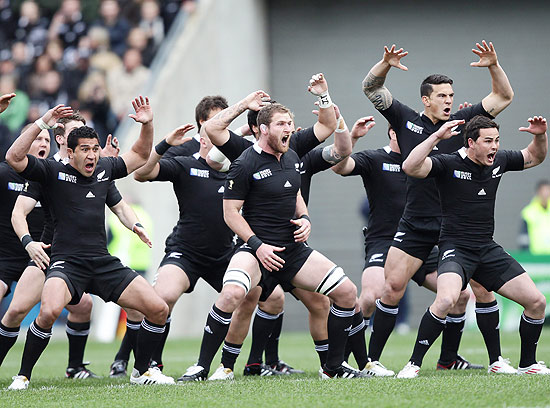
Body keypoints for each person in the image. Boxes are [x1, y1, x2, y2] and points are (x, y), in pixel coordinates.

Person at [180, 99, 364, 381]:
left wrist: (305, 219)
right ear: (263, 129)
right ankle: (203, 367)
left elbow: (296, 196)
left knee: (348, 293)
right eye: (281, 124)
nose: (288, 129)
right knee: (231, 295)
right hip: (255, 250)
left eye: (289, 124)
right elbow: (231, 214)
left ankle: (333, 368)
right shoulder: (244, 162)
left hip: (292, 250)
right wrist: (258, 246)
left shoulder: (291, 156)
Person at [361, 41, 514, 373]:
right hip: (416, 222)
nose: (448, 100)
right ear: (426, 100)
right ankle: (372, 361)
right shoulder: (404, 119)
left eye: (450, 95)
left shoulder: (464, 122)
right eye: (441, 95)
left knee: (473, 291)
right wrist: (385, 64)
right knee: (391, 288)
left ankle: (452, 360)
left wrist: (493, 66)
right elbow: (370, 87)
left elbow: (503, 97)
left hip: (454, 228)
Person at [5, 97, 174, 389]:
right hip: (66, 263)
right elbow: (14, 157)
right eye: (85, 150)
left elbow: (140, 154)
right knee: (47, 312)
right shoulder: (50, 172)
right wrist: (43, 121)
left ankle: (142, 371)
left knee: (158, 309)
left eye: (95, 150)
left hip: (102, 262)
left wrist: (147, 124)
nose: (92, 155)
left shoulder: (105, 170)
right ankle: (22, 376)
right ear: (70, 152)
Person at [397, 115, 549, 377]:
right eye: (488, 141)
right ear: (471, 143)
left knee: (536, 302)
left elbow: (534, 157)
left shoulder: (499, 161)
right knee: (446, 299)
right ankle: (413, 364)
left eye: (497, 141)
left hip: (487, 248)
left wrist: (539, 136)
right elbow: (410, 167)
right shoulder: (448, 163)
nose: (495, 147)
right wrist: (435, 137)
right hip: (455, 248)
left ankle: (527, 364)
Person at [108, 94, 231, 378]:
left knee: (258, 296)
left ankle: (230, 365)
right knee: (160, 300)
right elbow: (142, 173)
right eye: (217, 122)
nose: (222, 128)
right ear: (203, 128)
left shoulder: (238, 160)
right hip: (186, 251)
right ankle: (147, 363)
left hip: (224, 253)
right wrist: (163, 144)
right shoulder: (186, 158)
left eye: (226, 123)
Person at [518, 179, 550, 254]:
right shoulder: (528, 212)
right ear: (538, 192)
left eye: (547, 191)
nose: (545, 194)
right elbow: (524, 237)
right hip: (535, 257)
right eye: (543, 191)